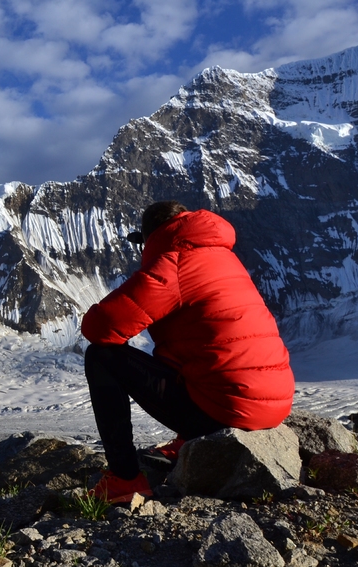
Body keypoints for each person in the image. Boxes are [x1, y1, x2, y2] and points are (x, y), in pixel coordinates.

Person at [81, 201, 295, 503]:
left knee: (101, 356)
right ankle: (188, 442)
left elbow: (100, 327)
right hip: (274, 406)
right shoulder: (225, 259)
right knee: (197, 346)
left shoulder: (174, 263)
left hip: (227, 410)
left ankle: (125, 478)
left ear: (150, 237)